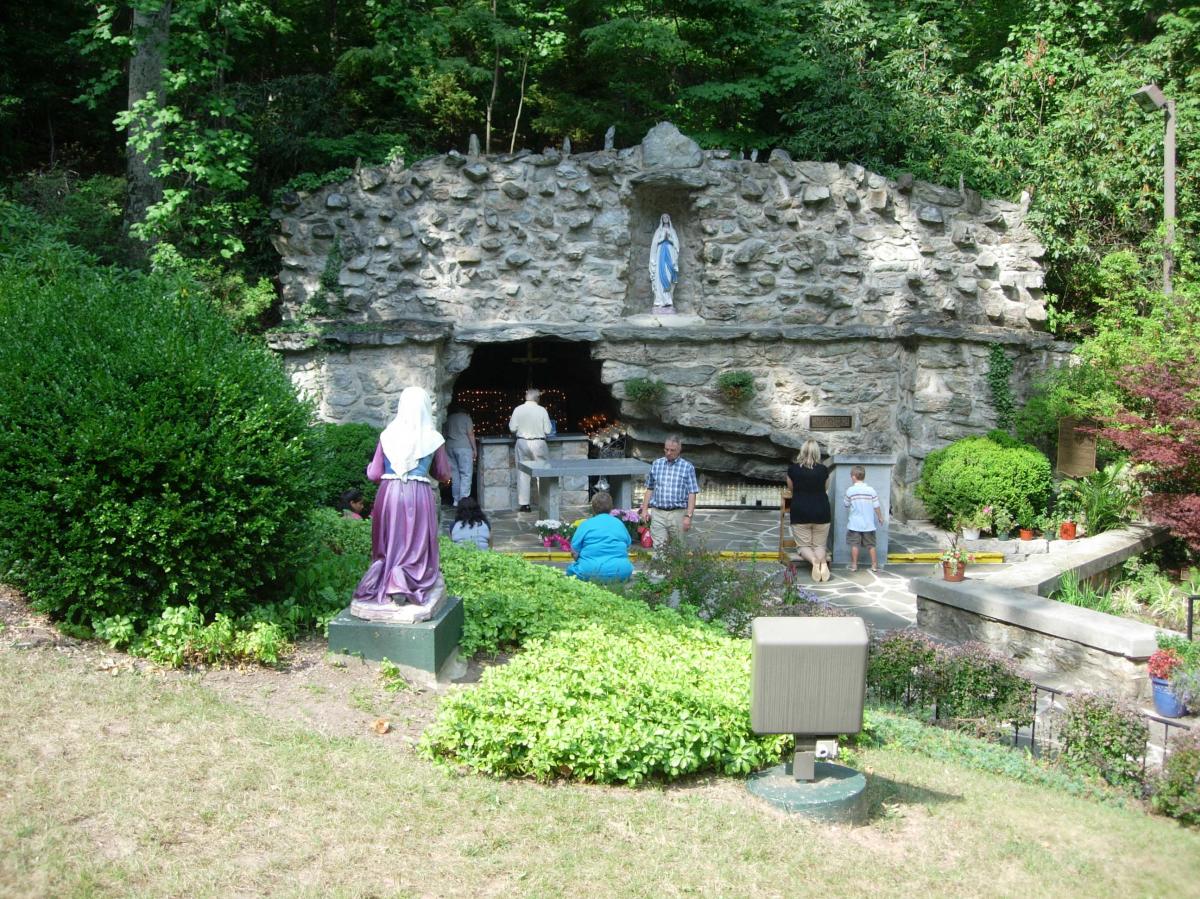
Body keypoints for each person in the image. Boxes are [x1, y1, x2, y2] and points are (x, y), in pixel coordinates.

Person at [351, 386, 452, 620]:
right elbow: (443, 472)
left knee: (389, 540)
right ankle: (407, 579)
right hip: (418, 494)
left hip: (389, 493)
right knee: (415, 541)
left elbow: (374, 474)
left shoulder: (387, 435)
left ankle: (387, 578)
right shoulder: (433, 438)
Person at [639, 435, 699, 550]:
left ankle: (676, 568)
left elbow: (692, 492)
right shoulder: (657, 464)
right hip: (658, 513)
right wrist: (645, 510)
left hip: (678, 513)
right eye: (666, 449)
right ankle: (661, 568)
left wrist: (688, 516)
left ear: (679, 450)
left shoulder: (687, 467)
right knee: (659, 548)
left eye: (672, 450)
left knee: (678, 548)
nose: (668, 453)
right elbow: (649, 487)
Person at [786, 440, 832, 582]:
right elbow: (825, 488)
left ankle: (814, 561)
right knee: (819, 545)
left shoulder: (793, 469)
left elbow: (791, 489)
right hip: (821, 511)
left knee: (803, 546)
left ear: (802, 451)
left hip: (800, 511)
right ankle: (822, 562)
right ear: (817, 452)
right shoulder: (823, 470)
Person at [566, 491, 633, 582]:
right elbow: (628, 545)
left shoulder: (585, 525)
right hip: (621, 572)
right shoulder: (619, 524)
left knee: (571, 570)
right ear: (611, 508)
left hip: (590, 571)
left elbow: (574, 551)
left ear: (593, 508)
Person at [508, 388, 552, 512]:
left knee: (522, 473)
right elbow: (548, 430)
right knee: (542, 473)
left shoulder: (518, 409)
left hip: (522, 442)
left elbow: (512, 428)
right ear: (537, 398)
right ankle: (543, 502)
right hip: (539, 442)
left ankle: (524, 504)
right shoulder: (542, 410)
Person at [844, 465, 885, 572]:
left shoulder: (850, 490)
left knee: (854, 545)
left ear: (853, 477)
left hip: (854, 524)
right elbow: (876, 506)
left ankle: (854, 565)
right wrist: (880, 517)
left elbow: (846, 504)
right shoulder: (871, 490)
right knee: (871, 545)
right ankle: (874, 565)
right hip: (868, 524)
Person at [443, 402, 477, 506]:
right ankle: (464, 500)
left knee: (455, 475)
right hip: (464, 447)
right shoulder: (466, 418)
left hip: (450, 447)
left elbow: (444, 434)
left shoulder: (448, 418)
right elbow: (470, 434)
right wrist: (474, 449)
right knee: (466, 474)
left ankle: (456, 500)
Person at [649, 213, 679, 313]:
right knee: (659, 278)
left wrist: (669, 238)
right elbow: (654, 244)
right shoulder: (659, 231)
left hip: (670, 254)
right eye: (663, 217)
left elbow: (676, 245)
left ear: (669, 219)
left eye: (667, 217)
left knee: (668, 275)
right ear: (661, 219)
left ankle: (668, 300)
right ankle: (659, 301)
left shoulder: (672, 231)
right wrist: (662, 238)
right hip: (660, 255)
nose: (665, 219)